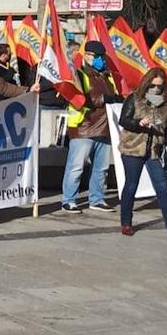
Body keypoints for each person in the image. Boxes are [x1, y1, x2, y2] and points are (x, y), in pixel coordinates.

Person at [116, 68, 167, 243]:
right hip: (133, 147)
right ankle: (126, 221)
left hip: (155, 149)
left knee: (162, 187)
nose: (155, 90)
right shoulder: (135, 98)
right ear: (146, 84)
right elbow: (123, 120)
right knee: (131, 185)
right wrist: (139, 123)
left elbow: (166, 128)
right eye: (152, 86)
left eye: (159, 87)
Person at [61, 41, 122, 213]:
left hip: (104, 127)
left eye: (102, 57)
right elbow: (80, 98)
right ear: (87, 56)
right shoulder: (80, 75)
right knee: (76, 166)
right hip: (84, 127)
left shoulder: (106, 76)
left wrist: (116, 99)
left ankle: (97, 198)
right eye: (97, 57)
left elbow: (112, 96)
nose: (101, 60)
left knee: (101, 168)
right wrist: (104, 99)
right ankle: (69, 199)